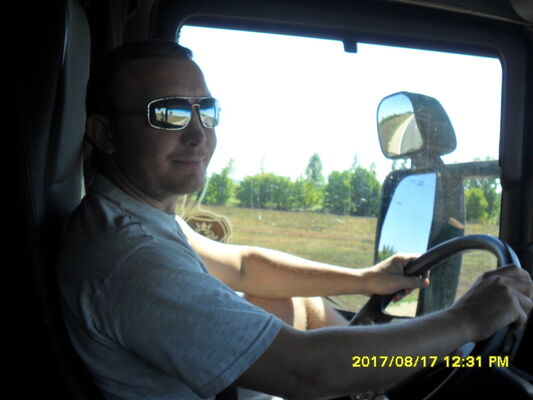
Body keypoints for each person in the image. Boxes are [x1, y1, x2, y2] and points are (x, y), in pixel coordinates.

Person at [56, 40, 532, 400]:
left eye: (206, 111)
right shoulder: (132, 258)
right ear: (105, 134)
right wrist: (466, 318)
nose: (199, 134)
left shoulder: (135, 217)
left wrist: (365, 279)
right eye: (169, 114)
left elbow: (244, 266)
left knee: (292, 300)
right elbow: (306, 371)